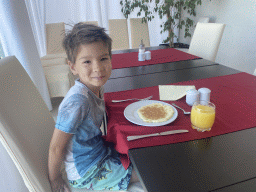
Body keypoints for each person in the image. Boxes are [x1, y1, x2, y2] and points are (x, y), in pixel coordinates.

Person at [48, 23, 139, 191]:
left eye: (103, 58)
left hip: (98, 153)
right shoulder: (77, 102)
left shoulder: (94, 88)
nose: (97, 68)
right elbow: (56, 147)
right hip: (87, 172)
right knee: (143, 172)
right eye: (87, 62)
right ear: (73, 67)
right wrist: (55, 179)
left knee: (139, 153)